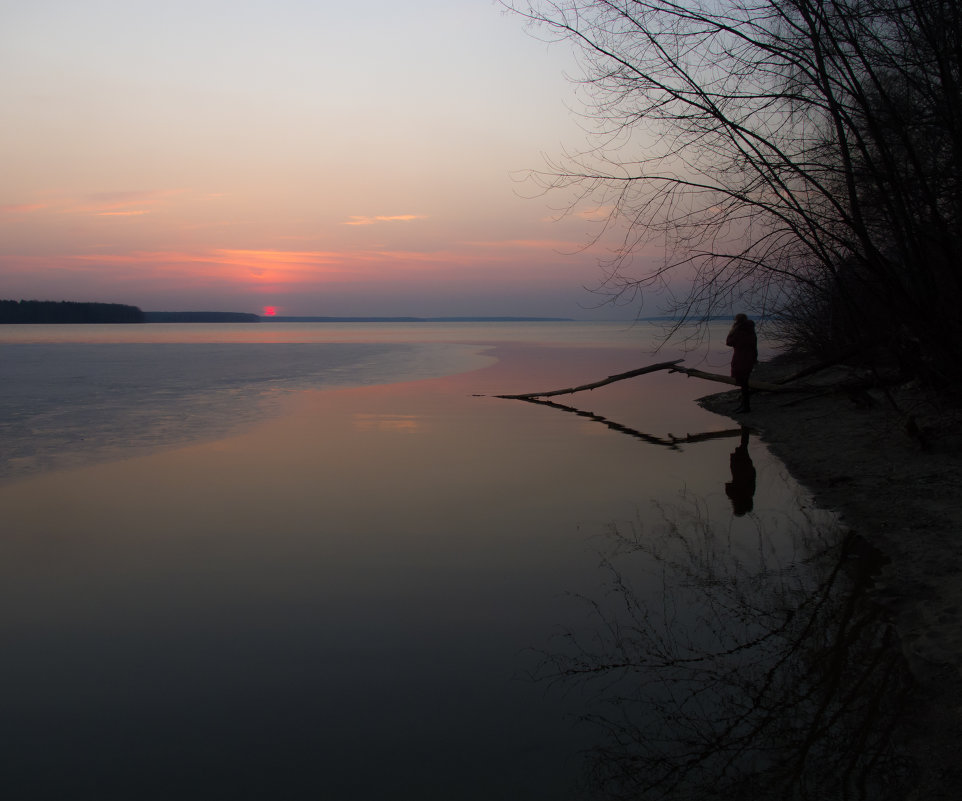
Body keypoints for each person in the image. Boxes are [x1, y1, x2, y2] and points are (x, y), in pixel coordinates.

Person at [726, 313, 758, 413]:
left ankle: (746, 407)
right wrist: (754, 358)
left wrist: (732, 331)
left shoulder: (739, 332)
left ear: (737, 321)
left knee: (743, 383)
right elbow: (754, 347)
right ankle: (744, 405)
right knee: (745, 383)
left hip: (740, 359)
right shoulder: (751, 331)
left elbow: (729, 342)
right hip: (749, 359)